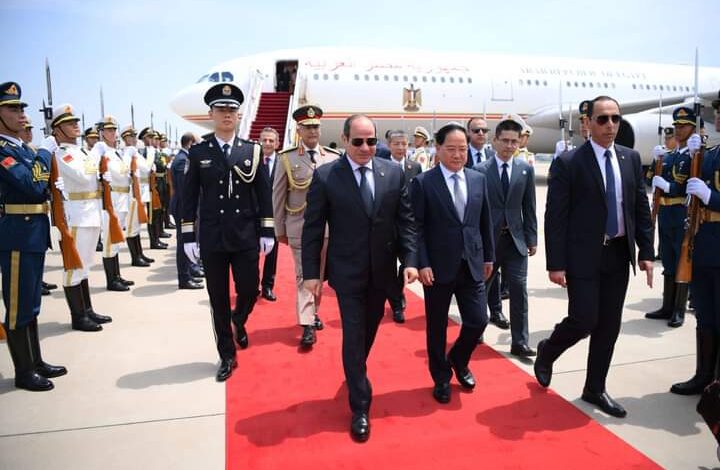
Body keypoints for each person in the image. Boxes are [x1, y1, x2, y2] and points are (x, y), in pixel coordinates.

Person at [535, 95, 654, 418]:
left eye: (615, 118)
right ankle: (549, 350)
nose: (610, 125)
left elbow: (639, 208)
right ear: (587, 123)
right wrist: (555, 263)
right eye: (603, 119)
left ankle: (595, 387)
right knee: (584, 319)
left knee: (609, 326)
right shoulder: (570, 162)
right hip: (583, 255)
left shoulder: (630, 158)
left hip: (618, 253)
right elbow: (555, 217)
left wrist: (646, 250)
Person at [302, 114, 418, 442]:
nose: (365, 147)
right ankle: (360, 405)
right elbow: (313, 228)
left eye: (371, 141)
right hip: (347, 272)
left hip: (382, 271)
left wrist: (410, 260)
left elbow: (406, 221)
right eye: (358, 141)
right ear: (344, 140)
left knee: (369, 328)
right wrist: (311, 273)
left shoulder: (392, 173)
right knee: (353, 335)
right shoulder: (327, 176)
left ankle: (354, 369)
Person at [181, 83, 275, 382]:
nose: (226, 114)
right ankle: (226, 354)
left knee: (249, 289)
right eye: (221, 109)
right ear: (211, 114)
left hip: (245, 235)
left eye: (232, 110)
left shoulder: (252, 150)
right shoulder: (199, 153)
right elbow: (188, 197)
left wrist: (267, 230)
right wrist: (187, 236)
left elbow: (264, 193)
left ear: (238, 115)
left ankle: (239, 319)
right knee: (218, 298)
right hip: (213, 237)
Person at [410, 122, 494, 404]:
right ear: (438, 148)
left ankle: (459, 358)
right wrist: (422, 263)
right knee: (437, 327)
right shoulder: (424, 183)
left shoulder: (478, 179)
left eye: (462, 149)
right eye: (451, 149)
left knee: (479, 320)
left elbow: (485, 221)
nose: (458, 155)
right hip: (437, 267)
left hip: (472, 262)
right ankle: (441, 377)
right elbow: (416, 228)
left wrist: (488, 256)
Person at [0, 81, 66, 391]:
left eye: (22, 108)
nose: (22, 114)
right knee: (18, 307)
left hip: (33, 232)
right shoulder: (3, 151)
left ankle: (35, 361)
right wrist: (43, 153)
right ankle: (23, 372)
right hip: (16, 235)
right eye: (13, 109)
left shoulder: (21, 149)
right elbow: (32, 185)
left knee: (31, 303)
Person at [40, 104, 112, 332]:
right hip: (76, 216)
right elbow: (83, 177)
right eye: (69, 123)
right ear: (57, 129)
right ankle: (78, 317)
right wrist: (97, 156)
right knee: (74, 266)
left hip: (91, 212)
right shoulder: (61, 153)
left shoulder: (81, 152)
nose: (75, 126)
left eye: (75, 122)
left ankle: (87, 310)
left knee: (86, 265)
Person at [273, 105, 341, 347]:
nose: (312, 131)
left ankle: (313, 313)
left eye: (315, 127)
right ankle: (307, 324)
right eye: (307, 127)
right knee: (305, 275)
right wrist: (279, 229)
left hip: (326, 230)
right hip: (299, 226)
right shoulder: (287, 158)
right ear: (298, 130)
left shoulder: (333, 158)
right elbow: (278, 195)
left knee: (319, 276)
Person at [669, 95, 720, 396]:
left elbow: (706, 194)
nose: (718, 118)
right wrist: (692, 157)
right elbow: (686, 184)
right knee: (705, 313)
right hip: (704, 244)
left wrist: (711, 197)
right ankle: (703, 376)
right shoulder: (710, 154)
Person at [475, 117, 538, 357]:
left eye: (514, 141)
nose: (510, 146)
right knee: (481, 288)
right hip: (488, 242)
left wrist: (532, 238)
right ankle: (476, 331)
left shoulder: (525, 170)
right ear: (495, 141)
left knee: (519, 290)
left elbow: (529, 207)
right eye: (505, 141)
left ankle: (520, 341)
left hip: (515, 241)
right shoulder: (480, 171)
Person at [645, 107, 697, 327]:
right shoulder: (670, 156)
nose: (678, 129)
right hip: (665, 213)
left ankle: (678, 310)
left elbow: (685, 185)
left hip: (680, 212)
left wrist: (669, 186)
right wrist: (655, 161)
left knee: (680, 260)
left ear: (692, 129)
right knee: (667, 259)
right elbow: (649, 179)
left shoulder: (693, 157)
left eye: (683, 126)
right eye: (676, 126)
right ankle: (667, 306)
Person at [385, 130, 421, 323]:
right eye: (396, 144)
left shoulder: (414, 167)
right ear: (389, 145)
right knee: (389, 268)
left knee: (408, 264)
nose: (400, 148)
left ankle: (398, 291)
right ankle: (397, 305)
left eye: (404, 144)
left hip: (409, 226)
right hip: (387, 228)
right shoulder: (381, 165)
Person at [20, 118, 58, 296]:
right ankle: (33, 282)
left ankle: (38, 280)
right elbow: (32, 181)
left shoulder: (30, 150)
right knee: (24, 256)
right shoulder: (12, 150)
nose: (29, 132)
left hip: (37, 211)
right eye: (26, 129)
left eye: (30, 129)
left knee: (37, 250)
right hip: (21, 211)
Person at [96, 116, 134, 292]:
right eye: (108, 130)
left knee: (117, 240)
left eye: (113, 130)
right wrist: (128, 158)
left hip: (123, 197)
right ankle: (111, 280)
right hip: (112, 198)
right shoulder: (103, 152)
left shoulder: (116, 152)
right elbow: (121, 172)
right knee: (110, 241)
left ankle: (117, 275)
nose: (112, 133)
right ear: (102, 133)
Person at [170, 132, 203, 290]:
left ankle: (189, 271)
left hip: (186, 206)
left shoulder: (185, 158)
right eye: (196, 144)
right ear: (190, 143)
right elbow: (186, 190)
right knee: (184, 242)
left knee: (189, 240)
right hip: (183, 207)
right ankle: (184, 278)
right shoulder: (182, 160)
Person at [120, 125, 155, 268]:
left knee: (137, 227)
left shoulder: (135, 153)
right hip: (133, 194)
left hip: (140, 192)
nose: (134, 139)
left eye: (135, 136)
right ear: (125, 138)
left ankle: (140, 254)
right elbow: (146, 168)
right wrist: (151, 153)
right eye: (131, 136)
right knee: (132, 227)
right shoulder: (127, 153)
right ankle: (135, 257)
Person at [258, 127, 279, 301]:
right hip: (253, 215)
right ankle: (251, 284)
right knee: (251, 252)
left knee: (272, 253)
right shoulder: (252, 160)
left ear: (277, 144)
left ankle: (267, 286)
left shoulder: (283, 162)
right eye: (264, 140)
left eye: (271, 140)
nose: (267, 143)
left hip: (274, 215)